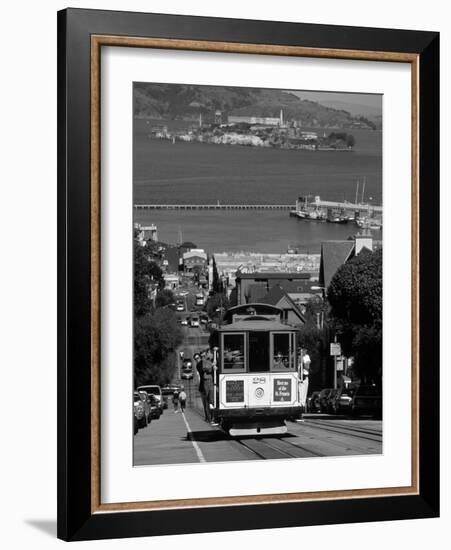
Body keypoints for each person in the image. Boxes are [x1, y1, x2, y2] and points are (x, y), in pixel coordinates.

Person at [202, 349, 218, 425]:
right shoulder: (205, 361)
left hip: (213, 381)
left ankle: (215, 417)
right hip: (207, 381)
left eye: (209, 353)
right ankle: (210, 418)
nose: (208, 354)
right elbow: (205, 369)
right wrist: (212, 366)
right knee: (209, 400)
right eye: (209, 353)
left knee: (214, 399)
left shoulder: (215, 359)